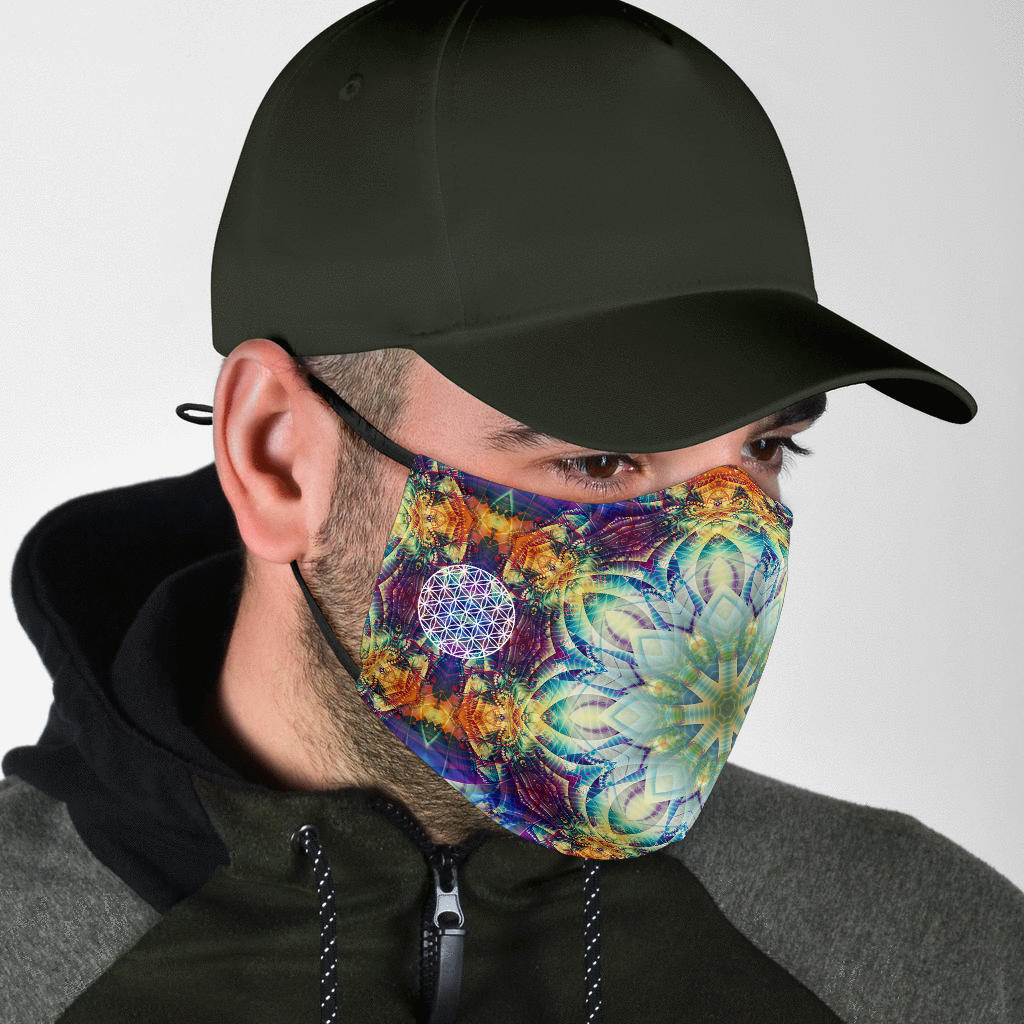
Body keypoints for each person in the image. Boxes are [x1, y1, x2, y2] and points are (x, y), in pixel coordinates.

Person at [2, 1, 1021, 1022]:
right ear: (277, 459)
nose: (715, 563)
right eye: (601, 459)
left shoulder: (944, 959)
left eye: (763, 449)